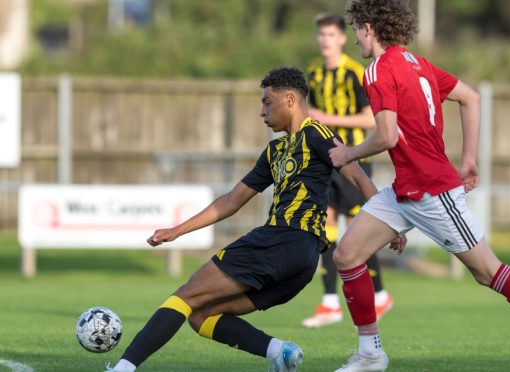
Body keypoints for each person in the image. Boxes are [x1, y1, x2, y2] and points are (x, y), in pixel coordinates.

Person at [328, 1, 510, 371]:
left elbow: (386, 136)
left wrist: (348, 155)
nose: (355, 37)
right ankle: (371, 354)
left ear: (369, 29)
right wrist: (468, 159)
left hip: (432, 192)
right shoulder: (417, 64)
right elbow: (470, 97)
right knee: (347, 254)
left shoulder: (376, 70)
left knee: (488, 271)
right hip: (407, 189)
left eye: (356, 28)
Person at [106, 67, 386, 372]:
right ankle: (279, 351)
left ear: (290, 99)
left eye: (268, 102)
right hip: (301, 263)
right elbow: (231, 201)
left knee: (184, 295)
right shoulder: (275, 150)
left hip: (284, 239)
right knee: (200, 315)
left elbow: (356, 174)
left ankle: (123, 368)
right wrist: (176, 231)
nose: (262, 111)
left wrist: (386, 220)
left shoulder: (315, 133)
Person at [301, 12, 393, 329]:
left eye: (331, 35)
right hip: (325, 162)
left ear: (342, 38)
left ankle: (379, 294)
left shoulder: (356, 73)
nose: (325, 40)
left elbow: (369, 120)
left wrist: (325, 118)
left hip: (353, 161)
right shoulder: (313, 74)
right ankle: (329, 303)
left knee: (357, 231)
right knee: (323, 225)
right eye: (321, 35)